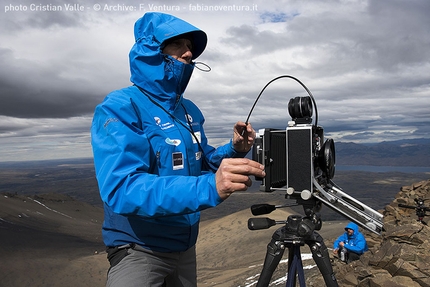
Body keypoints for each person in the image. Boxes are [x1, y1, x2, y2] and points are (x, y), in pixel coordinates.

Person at [90, 12, 266, 287]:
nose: (188, 54)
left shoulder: (189, 110)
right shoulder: (120, 107)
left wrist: (233, 149)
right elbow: (122, 188)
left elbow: (203, 162)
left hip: (185, 250)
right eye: (178, 44)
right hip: (139, 250)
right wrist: (210, 188)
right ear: (152, 50)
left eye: (191, 49)